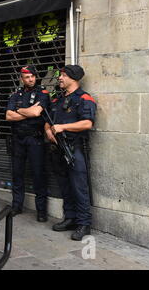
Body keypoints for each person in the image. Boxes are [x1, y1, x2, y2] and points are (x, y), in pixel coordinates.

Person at [44, 65, 97, 241]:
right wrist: (49, 131)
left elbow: (87, 123)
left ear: (73, 79)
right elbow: (48, 119)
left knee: (79, 187)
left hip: (74, 149)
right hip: (58, 149)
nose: (59, 78)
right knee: (65, 186)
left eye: (63, 75)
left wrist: (62, 127)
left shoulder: (84, 98)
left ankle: (84, 224)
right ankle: (70, 218)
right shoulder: (58, 99)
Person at [6, 66, 50, 222]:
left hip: (35, 139)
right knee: (17, 174)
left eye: (32, 76)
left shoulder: (42, 93)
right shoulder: (15, 94)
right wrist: (27, 111)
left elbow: (36, 113)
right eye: (27, 77)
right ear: (22, 78)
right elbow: (8, 116)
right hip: (18, 139)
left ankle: (41, 211)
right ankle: (16, 206)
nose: (30, 79)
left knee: (38, 174)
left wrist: (19, 110)